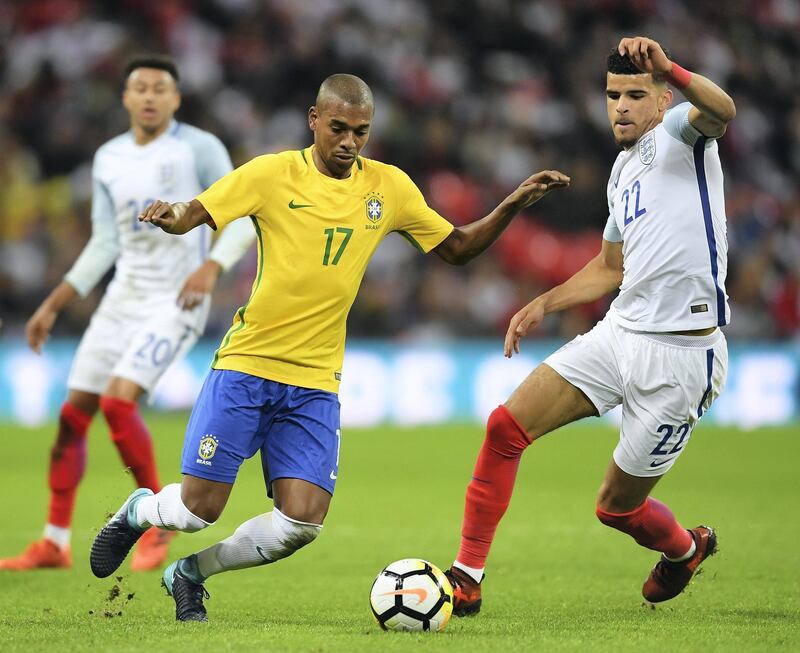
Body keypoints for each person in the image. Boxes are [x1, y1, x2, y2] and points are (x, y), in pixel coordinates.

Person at [88, 73, 570, 622]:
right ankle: (140, 511)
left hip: (316, 381)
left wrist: (511, 204)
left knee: (302, 523)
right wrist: (168, 215)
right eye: (338, 128)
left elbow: (456, 248)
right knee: (199, 510)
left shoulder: (388, 188)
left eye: (360, 132)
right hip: (247, 365)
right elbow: (192, 213)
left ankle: (190, 574)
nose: (348, 142)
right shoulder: (271, 174)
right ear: (314, 120)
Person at [443, 36, 737, 615]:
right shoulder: (621, 170)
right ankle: (467, 576)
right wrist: (543, 304)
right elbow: (610, 267)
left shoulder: (682, 133)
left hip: (683, 358)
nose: (621, 106)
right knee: (505, 428)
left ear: (658, 101)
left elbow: (724, 110)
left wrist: (672, 70)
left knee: (616, 509)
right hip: (619, 334)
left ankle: (684, 549)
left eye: (634, 94)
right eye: (611, 95)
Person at [0, 55, 255, 572]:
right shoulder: (108, 157)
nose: (149, 96)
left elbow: (244, 218)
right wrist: (52, 304)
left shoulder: (199, 148)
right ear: (125, 97)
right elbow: (104, 243)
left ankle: (154, 525)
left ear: (176, 98)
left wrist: (211, 268)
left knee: (119, 404)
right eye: (140, 87)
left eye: (160, 88)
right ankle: (53, 541)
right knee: (73, 417)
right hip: (122, 300)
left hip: (176, 299)